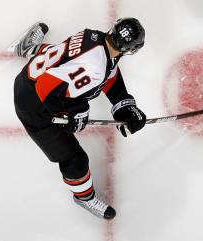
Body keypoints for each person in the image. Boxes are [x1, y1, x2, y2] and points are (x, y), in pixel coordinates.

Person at [10, 19, 147, 219]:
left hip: (32, 76)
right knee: (75, 159)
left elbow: (108, 71)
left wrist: (123, 104)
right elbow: (45, 87)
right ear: (131, 50)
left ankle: (29, 48)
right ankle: (84, 197)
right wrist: (73, 111)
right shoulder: (95, 69)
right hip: (32, 105)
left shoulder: (95, 36)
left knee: (63, 53)